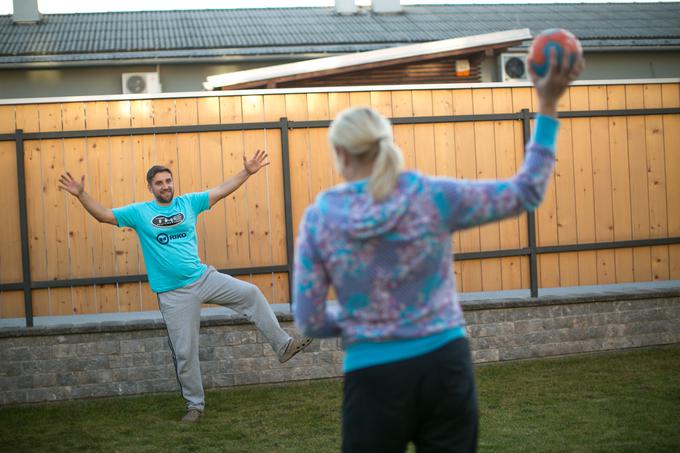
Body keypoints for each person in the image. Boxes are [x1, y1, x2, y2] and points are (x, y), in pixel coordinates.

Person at [293, 51, 584, 452]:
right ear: (385, 145)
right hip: (445, 365)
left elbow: (309, 320)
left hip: (373, 375)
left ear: (340, 154)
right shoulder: (433, 197)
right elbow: (525, 192)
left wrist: (364, 317)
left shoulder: (319, 219)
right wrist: (548, 104)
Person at [59, 149, 312, 423]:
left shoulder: (189, 203)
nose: (165, 186)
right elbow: (104, 215)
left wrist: (247, 172)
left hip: (204, 278)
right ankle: (195, 406)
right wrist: (82, 194)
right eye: (159, 183)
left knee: (251, 293)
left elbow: (222, 190)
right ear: (150, 187)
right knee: (185, 350)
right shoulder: (140, 213)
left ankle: (283, 346)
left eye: (168, 181)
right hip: (173, 293)